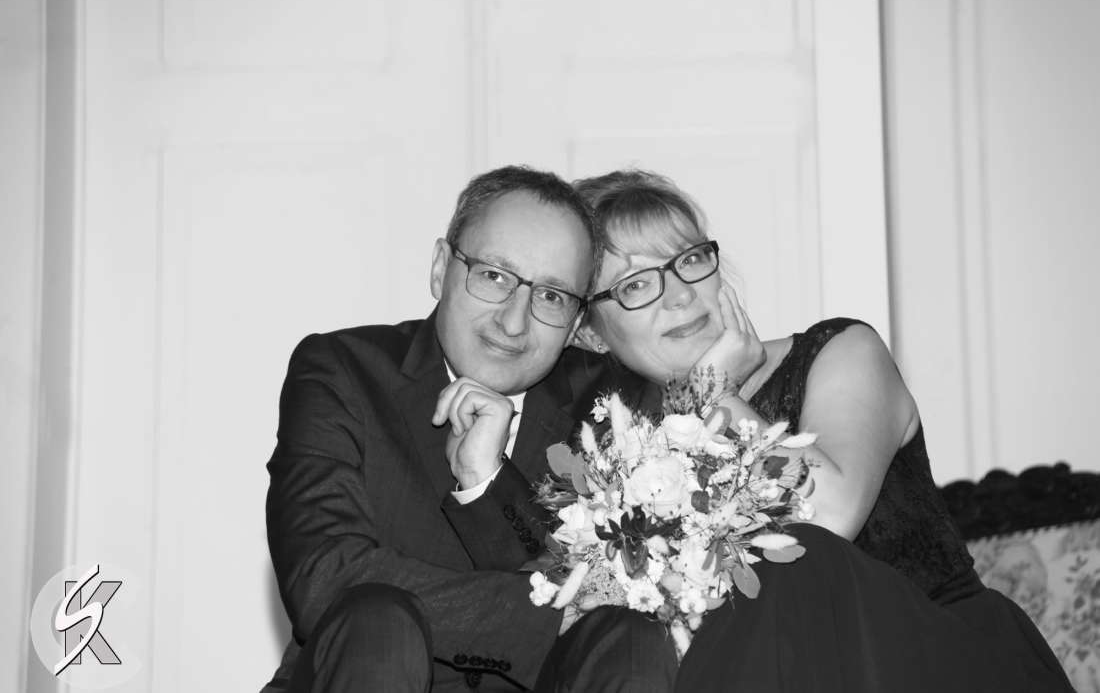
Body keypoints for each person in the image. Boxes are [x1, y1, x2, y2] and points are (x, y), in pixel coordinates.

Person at [571, 169, 1074, 692]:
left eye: (690, 260)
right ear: (590, 332)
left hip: (942, 665)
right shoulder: (615, 448)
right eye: (636, 285)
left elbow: (828, 519)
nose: (679, 295)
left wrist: (716, 396)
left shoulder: (842, 353)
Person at [263, 166, 677, 693]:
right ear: (441, 268)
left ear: (577, 322)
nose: (513, 321)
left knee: (631, 633)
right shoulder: (343, 370)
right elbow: (325, 578)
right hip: (367, 673)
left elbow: (613, 598)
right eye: (494, 276)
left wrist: (488, 485)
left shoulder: (612, 404)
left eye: (552, 296)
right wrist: (549, 613)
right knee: (377, 615)